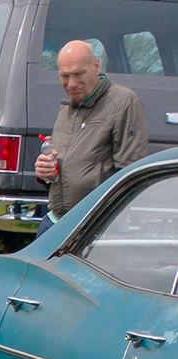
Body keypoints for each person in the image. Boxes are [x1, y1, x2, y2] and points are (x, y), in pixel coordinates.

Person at [34, 40, 148, 233]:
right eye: (64, 76)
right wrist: (45, 173)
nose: (71, 84)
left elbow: (130, 175)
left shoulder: (124, 103)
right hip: (55, 222)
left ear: (96, 66)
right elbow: (65, 167)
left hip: (95, 226)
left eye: (78, 74)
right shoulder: (66, 108)